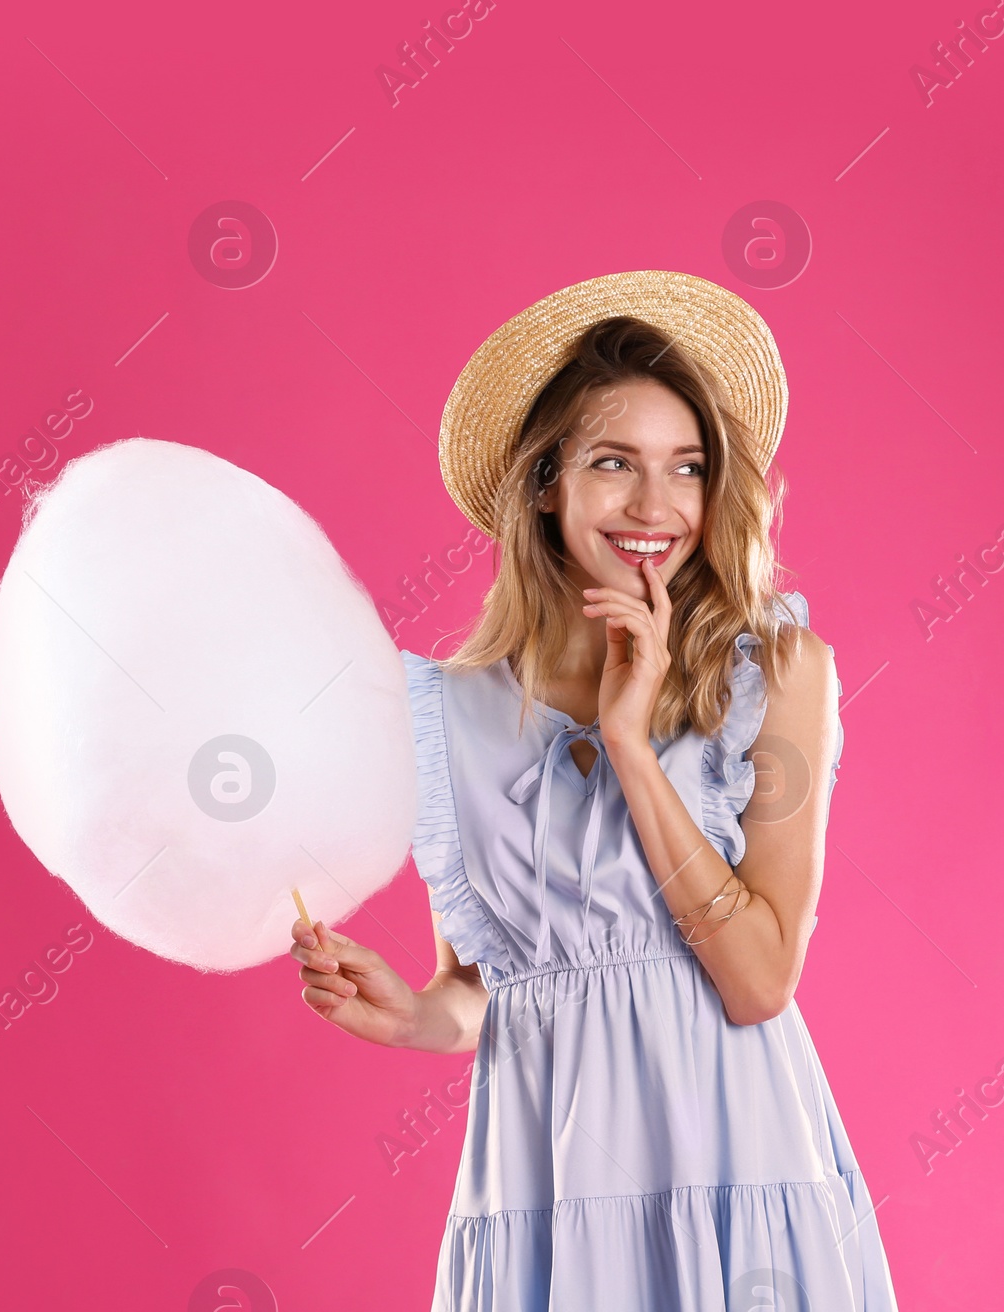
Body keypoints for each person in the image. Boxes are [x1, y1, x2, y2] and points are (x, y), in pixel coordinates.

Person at [290, 272, 899, 1310]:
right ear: (544, 484)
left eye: (687, 468)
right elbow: (486, 987)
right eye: (614, 463)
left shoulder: (775, 673)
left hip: (736, 1170)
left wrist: (630, 737)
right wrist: (411, 1018)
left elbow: (757, 981)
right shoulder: (444, 716)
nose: (655, 507)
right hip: (540, 1188)